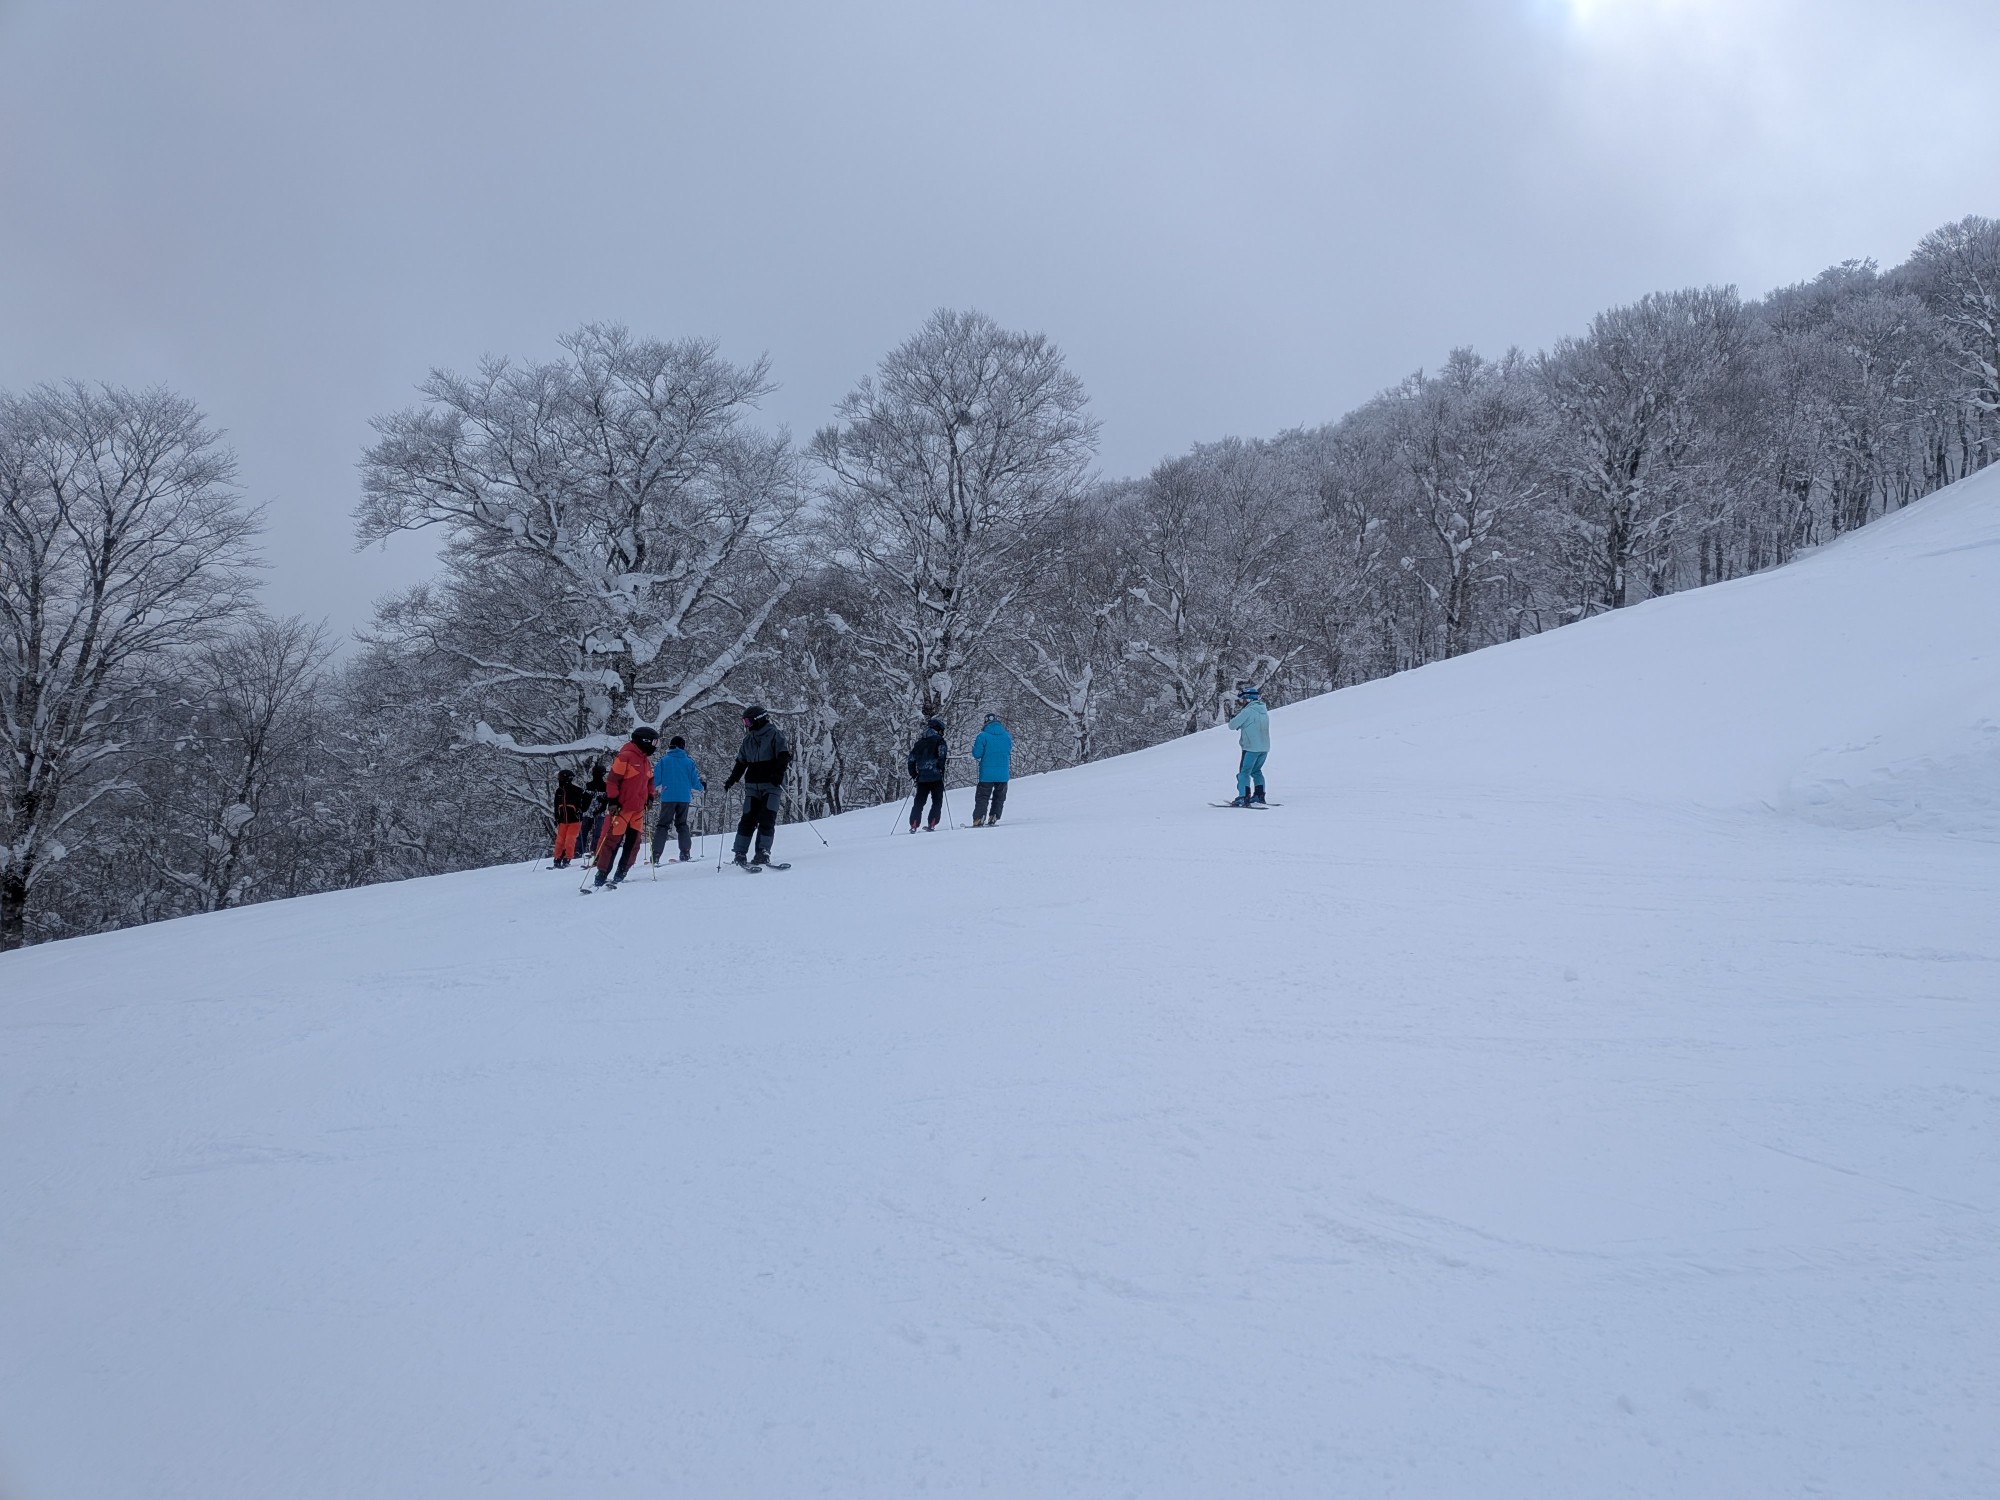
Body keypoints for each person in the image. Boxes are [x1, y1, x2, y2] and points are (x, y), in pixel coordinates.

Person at [723, 704, 792, 867]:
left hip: (771, 785)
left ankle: (762, 851)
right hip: (753, 785)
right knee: (747, 819)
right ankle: (740, 853)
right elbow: (741, 763)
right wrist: (732, 779)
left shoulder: (774, 734)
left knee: (767, 818)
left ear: (758, 720)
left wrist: (778, 774)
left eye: (748, 722)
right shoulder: (748, 739)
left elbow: (783, 756)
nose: (746, 725)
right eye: (745, 722)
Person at [591, 726, 658, 889]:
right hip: (622, 808)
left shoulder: (645, 761)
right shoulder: (625, 756)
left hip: (637, 809)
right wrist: (613, 801)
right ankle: (602, 874)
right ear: (645, 741)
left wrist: (650, 797)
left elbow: (649, 781)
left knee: (633, 843)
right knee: (612, 841)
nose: (655, 746)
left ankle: (622, 872)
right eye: (654, 742)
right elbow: (613, 781)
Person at [650, 735, 704, 864]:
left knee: (663, 825)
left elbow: (655, 780)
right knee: (682, 824)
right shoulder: (688, 762)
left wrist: (653, 791)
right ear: (682, 746)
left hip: (668, 796)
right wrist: (702, 787)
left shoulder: (664, 761)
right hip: (684, 797)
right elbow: (694, 782)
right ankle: (685, 852)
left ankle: (656, 854)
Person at [1227, 684, 1270, 807]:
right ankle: (1259, 795)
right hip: (1264, 747)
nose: (1242, 702)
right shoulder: (1263, 711)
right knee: (1256, 771)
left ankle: (1243, 796)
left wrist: (1235, 718)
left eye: (1243, 699)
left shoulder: (1248, 711)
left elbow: (1232, 725)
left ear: (1248, 699)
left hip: (1251, 747)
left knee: (1244, 772)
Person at [907, 716, 949, 832]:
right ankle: (932, 822)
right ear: (938, 729)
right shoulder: (940, 741)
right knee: (937, 800)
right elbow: (942, 756)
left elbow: (911, 760)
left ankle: (914, 823)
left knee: (919, 802)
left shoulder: (919, 743)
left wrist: (914, 774)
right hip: (936, 776)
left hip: (922, 777)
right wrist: (941, 769)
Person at [970, 712, 1012, 827]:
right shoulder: (1007, 736)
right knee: (999, 797)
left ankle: (979, 818)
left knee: (982, 796)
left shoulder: (982, 736)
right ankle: (994, 816)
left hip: (987, 774)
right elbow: (1009, 751)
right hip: (1003, 773)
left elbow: (976, 754)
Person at [551, 768, 590, 867]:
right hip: (562, 820)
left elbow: (588, 797)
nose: (559, 779)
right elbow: (556, 805)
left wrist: (581, 809)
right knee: (559, 840)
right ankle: (557, 858)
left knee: (570, 840)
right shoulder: (558, 791)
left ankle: (567, 858)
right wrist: (556, 817)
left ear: (566, 778)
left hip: (575, 820)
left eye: (560, 777)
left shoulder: (576, 790)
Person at [577, 759, 608, 858]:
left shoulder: (605, 786)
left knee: (597, 832)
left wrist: (600, 809)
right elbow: (583, 798)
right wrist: (581, 809)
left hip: (599, 812)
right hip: (588, 811)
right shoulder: (588, 785)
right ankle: (579, 851)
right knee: (583, 832)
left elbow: (606, 800)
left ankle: (594, 850)